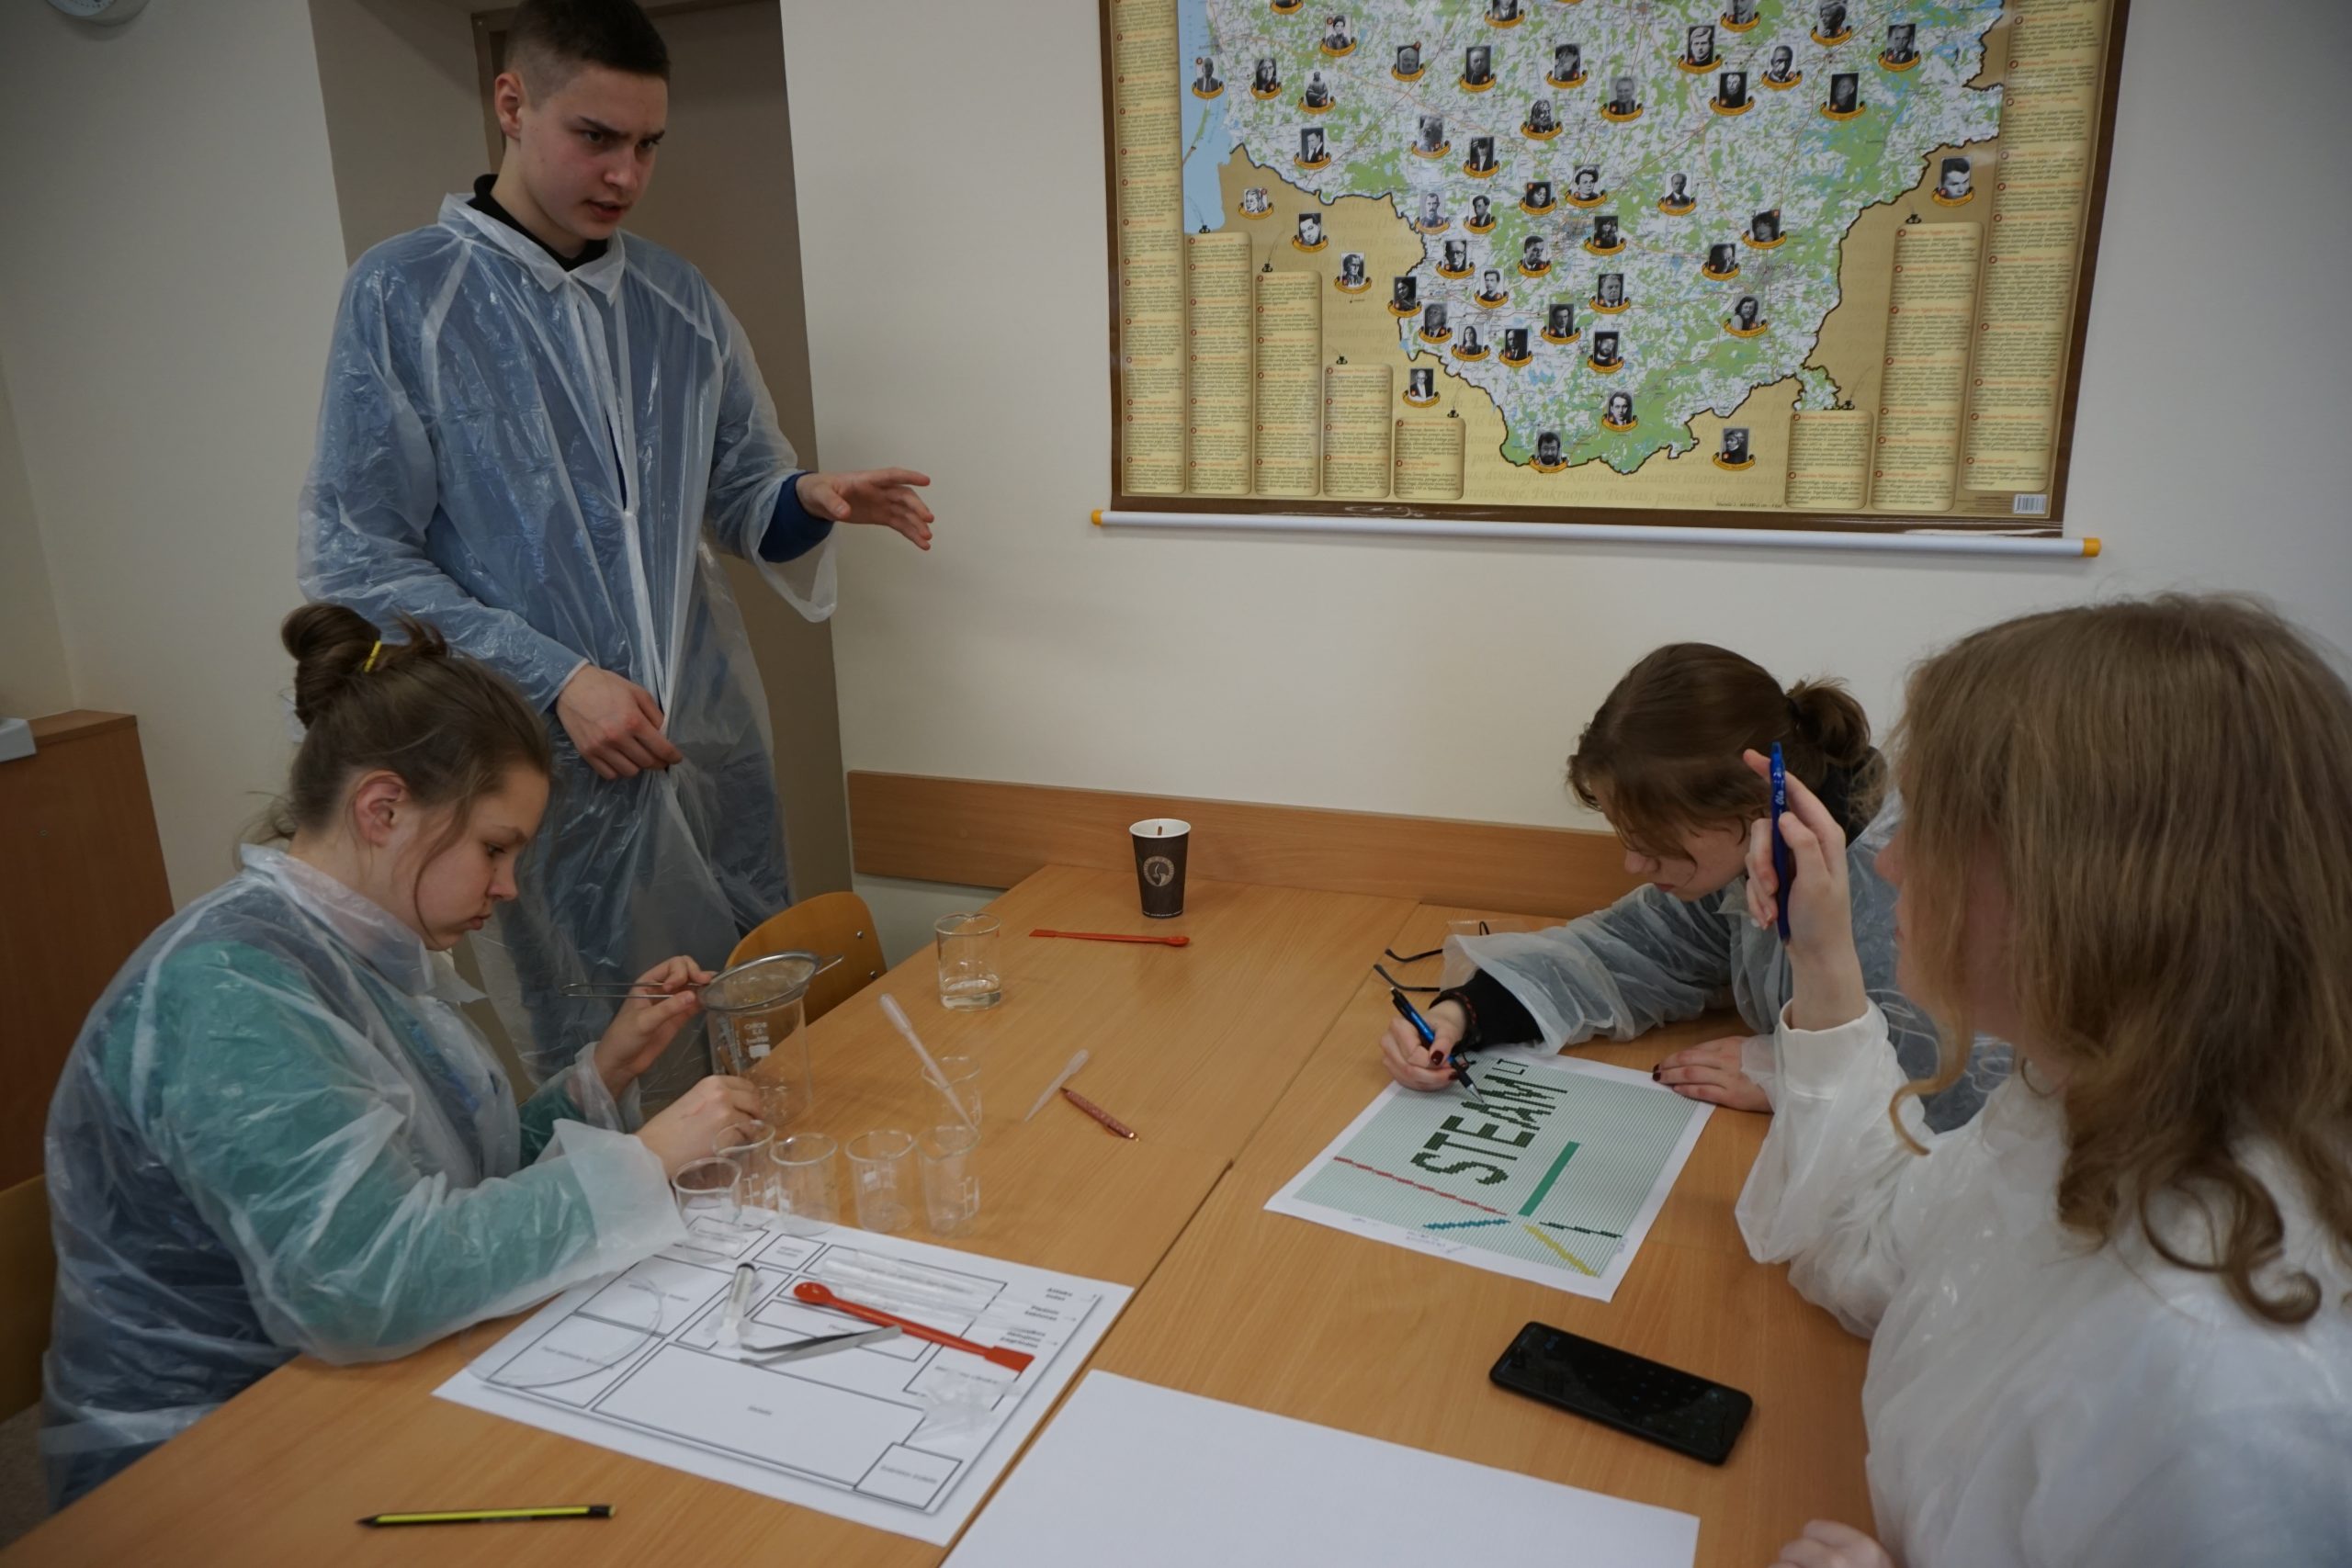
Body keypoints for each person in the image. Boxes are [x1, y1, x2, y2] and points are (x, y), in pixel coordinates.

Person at [299, 0, 933, 1096]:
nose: (625, 175)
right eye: (595, 136)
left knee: (758, 1030)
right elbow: (359, 560)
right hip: (533, 767)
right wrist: (560, 680)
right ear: (512, 103)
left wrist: (807, 500)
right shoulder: (410, 297)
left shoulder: (677, 304)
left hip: (703, 748)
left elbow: (738, 498)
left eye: (647, 145)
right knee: (602, 1061)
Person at [40, 605, 767, 1506]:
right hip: (198, 1461)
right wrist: (646, 1160)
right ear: (382, 808)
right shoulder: (227, 995)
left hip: (357, 1384)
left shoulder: (362, 953)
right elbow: (369, 1282)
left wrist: (604, 1070)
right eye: (495, 849)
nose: (507, 887)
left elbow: (452, 1188)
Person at [1741, 596, 2352, 1567]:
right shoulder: (2080, 1098)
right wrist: (1820, 954)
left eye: (1933, 827)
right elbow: (1874, 1247)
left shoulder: (2224, 1392)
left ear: (2091, 887)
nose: (1889, 864)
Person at [1380, 644, 2004, 1130]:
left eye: (1656, 841)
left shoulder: (1902, 883)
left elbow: (1955, 1088)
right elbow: (1628, 953)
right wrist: (1464, 1014)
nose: (1634, 863)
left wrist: (1790, 1075)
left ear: (1751, 801)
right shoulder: (1749, 857)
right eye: (1627, 835)